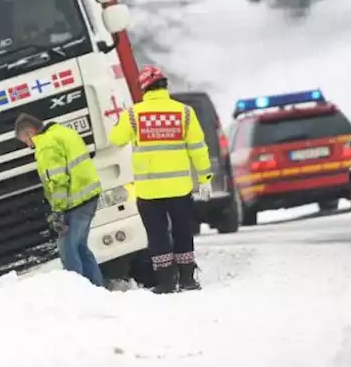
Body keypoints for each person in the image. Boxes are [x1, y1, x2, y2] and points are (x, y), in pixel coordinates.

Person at [109, 65, 214, 293]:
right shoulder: (184, 113)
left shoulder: (133, 115)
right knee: (182, 232)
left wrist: (121, 120)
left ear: (144, 88)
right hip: (179, 188)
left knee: (157, 236)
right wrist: (204, 178)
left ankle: (166, 282)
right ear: (165, 86)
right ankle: (188, 279)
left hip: (149, 191)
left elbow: (116, 139)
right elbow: (198, 148)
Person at [14, 112, 105, 287]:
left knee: (68, 250)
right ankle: (96, 288)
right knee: (80, 247)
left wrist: (58, 211)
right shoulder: (63, 132)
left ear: (31, 132)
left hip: (75, 201)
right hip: (89, 195)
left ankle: (80, 293)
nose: (28, 146)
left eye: (25, 140)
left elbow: (57, 181)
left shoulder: (46, 145)